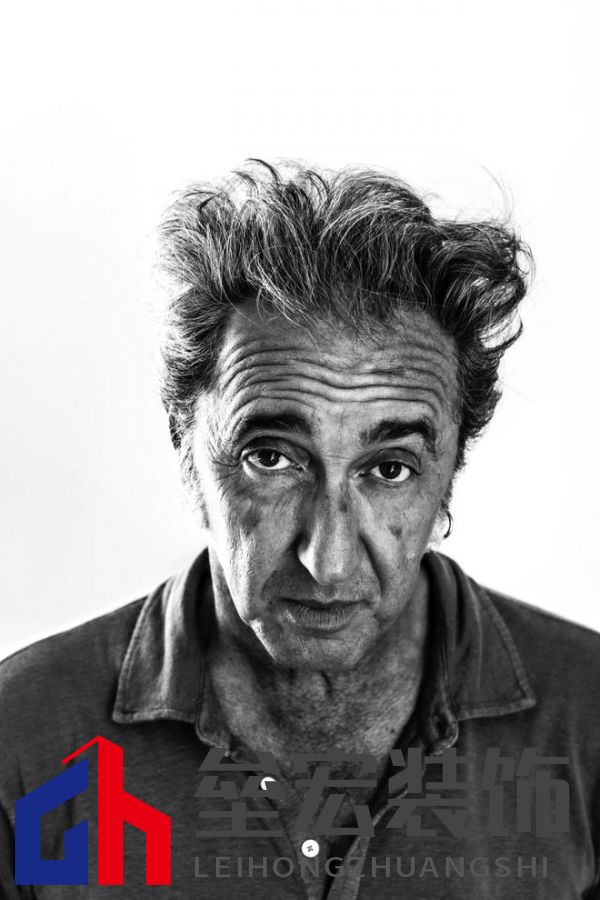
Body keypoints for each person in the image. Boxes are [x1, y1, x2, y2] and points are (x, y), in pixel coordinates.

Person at [1, 161, 599, 899]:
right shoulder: (23, 739)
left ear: (451, 471)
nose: (328, 561)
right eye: (272, 458)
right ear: (187, 448)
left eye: (390, 469)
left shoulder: (589, 722)